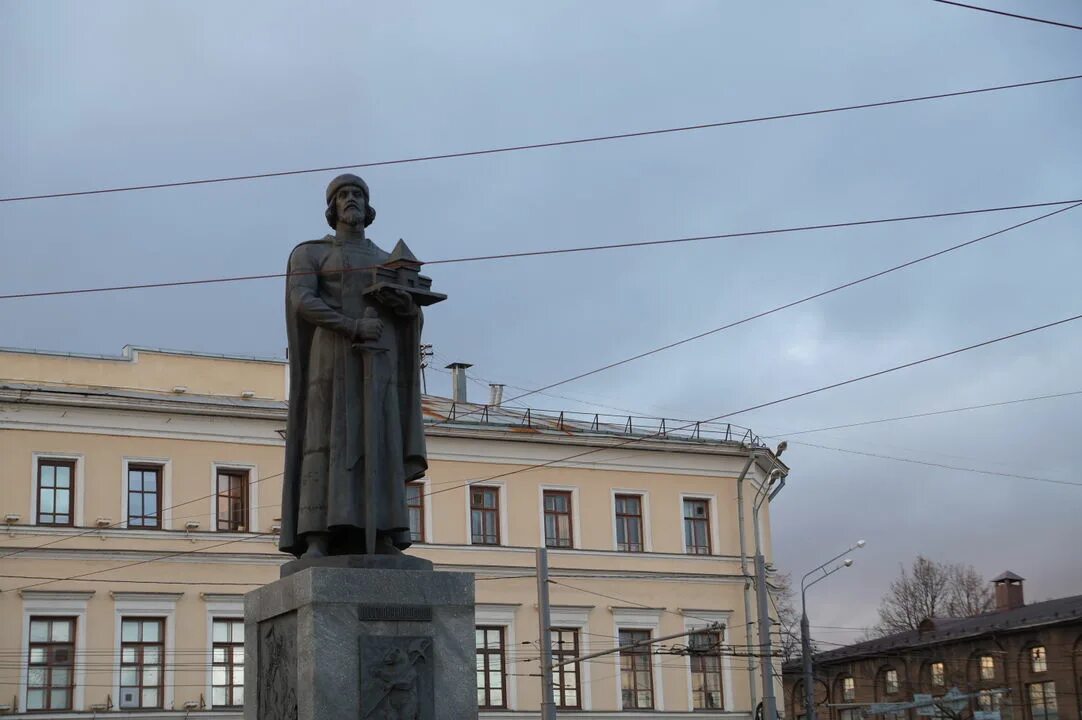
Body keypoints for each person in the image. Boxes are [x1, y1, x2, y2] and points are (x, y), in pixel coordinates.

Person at [279, 174, 427, 559]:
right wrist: (352, 325)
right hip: (330, 362)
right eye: (343, 195)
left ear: (368, 205)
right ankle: (317, 535)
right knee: (326, 441)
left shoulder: (385, 259)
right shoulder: (310, 253)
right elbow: (302, 301)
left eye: (358, 194)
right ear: (331, 207)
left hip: (379, 363)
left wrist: (407, 310)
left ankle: (382, 533)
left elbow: (410, 312)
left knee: (379, 442)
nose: (351, 200)